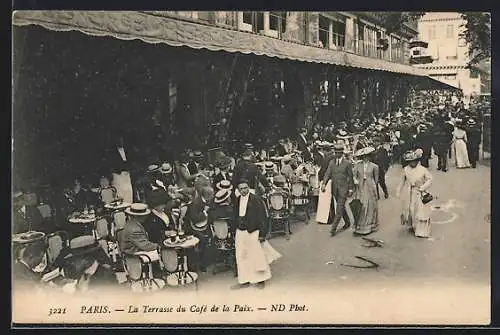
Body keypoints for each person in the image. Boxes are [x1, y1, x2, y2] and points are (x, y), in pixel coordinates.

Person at [232, 179, 279, 290]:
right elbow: (234, 215)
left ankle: (261, 279)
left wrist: (262, 234)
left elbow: (263, 217)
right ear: (238, 190)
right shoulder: (237, 200)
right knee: (241, 256)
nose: (243, 190)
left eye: (245, 188)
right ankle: (244, 280)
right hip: (240, 231)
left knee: (257, 256)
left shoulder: (256, 200)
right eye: (241, 189)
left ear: (248, 188)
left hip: (253, 231)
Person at [396, 149, 433, 238]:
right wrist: (398, 191)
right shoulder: (406, 170)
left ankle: (421, 230)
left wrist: (422, 188)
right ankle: (413, 225)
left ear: (417, 161)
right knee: (411, 210)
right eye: (411, 161)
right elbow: (402, 181)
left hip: (420, 193)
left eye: (414, 161)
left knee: (420, 211)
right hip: (409, 192)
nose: (413, 163)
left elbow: (430, 179)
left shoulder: (422, 169)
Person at [321, 142, 354, 236]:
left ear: (342, 153)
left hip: (344, 189)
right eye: (336, 152)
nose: (337, 154)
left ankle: (333, 229)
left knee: (339, 210)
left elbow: (350, 177)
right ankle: (347, 222)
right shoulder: (332, 163)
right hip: (335, 189)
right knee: (341, 207)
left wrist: (351, 189)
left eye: (339, 152)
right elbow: (327, 173)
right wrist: (324, 184)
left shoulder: (347, 163)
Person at [185, 186, 215, 272]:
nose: (213, 195)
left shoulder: (207, 201)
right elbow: (195, 218)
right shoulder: (195, 203)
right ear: (208, 195)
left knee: (210, 238)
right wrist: (204, 212)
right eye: (212, 194)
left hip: (203, 226)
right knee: (203, 240)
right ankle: (199, 264)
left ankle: (205, 261)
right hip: (192, 227)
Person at [352, 147, 379, 236]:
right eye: (364, 156)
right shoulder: (357, 165)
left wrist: (374, 189)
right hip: (360, 187)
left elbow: (376, 179)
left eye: (367, 156)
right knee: (361, 205)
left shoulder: (374, 166)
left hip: (370, 186)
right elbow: (354, 175)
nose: (366, 158)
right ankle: (360, 226)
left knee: (370, 205)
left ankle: (370, 225)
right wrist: (355, 180)